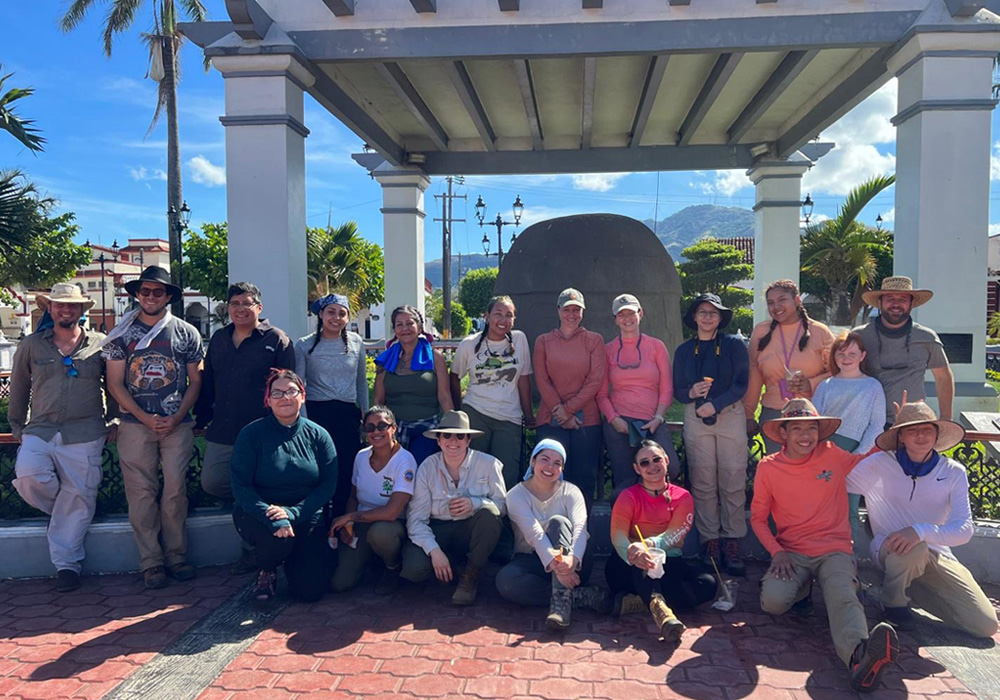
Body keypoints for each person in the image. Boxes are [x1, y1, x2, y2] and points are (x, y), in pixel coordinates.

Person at [751, 399, 898, 693]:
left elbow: (865, 461)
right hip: (791, 551)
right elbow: (757, 518)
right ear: (784, 433)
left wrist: (892, 432)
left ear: (820, 432)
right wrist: (776, 551)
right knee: (773, 603)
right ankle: (802, 589)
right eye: (797, 429)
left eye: (811, 428)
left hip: (835, 549)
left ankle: (860, 658)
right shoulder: (768, 468)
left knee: (843, 596)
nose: (805, 436)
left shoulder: (832, 454)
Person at [847, 401, 998, 637]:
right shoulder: (876, 465)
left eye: (927, 429)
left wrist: (920, 530)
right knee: (913, 550)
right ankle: (893, 605)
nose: (920, 435)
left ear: (937, 434)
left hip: (937, 554)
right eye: (911, 430)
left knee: (985, 625)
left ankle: (908, 589)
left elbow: (964, 529)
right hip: (890, 549)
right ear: (901, 437)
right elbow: (836, 484)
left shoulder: (953, 472)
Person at [8, 283, 117, 592]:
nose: (66, 310)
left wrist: (115, 418)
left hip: (85, 430)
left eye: (72, 306)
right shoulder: (31, 345)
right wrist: (16, 425)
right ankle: (66, 510)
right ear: (50, 309)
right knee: (29, 475)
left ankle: (66, 565)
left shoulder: (100, 344)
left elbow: (113, 385)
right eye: (60, 306)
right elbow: (19, 387)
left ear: (82, 310)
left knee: (79, 494)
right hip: (40, 428)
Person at [102, 266, 204, 589]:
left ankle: (176, 554)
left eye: (157, 292)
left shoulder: (186, 333)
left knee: (175, 489)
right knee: (140, 493)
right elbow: (115, 384)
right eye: (144, 291)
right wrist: (144, 417)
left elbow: (195, 380)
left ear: (168, 296)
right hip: (135, 423)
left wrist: (177, 416)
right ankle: (151, 561)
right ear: (136, 294)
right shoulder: (121, 334)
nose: (149, 297)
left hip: (177, 423)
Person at [231, 369, 338, 605]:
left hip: (305, 514)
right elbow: (241, 487)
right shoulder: (251, 435)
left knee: (311, 592)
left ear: (303, 396)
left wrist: (294, 513)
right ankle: (267, 570)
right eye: (277, 393)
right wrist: (274, 515)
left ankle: (292, 559)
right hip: (261, 514)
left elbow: (328, 484)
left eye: (291, 391)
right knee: (279, 539)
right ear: (268, 400)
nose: (285, 397)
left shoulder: (318, 435)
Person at [605, 439, 716, 641]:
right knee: (640, 569)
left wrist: (648, 545)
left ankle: (638, 602)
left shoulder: (683, 497)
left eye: (656, 459)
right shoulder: (627, 496)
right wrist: (634, 554)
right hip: (629, 564)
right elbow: (617, 534)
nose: (652, 465)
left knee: (708, 584)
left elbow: (675, 534)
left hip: (668, 562)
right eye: (645, 462)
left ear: (666, 461)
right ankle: (661, 612)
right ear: (637, 469)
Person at [195, 282, 295, 502]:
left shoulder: (277, 340)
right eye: (234, 303)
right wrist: (201, 419)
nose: (240, 308)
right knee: (212, 482)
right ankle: (250, 502)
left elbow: (288, 388)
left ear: (259, 307)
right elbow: (209, 381)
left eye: (246, 303)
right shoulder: (219, 339)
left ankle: (252, 514)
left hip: (262, 428)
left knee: (266, 479)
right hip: (223, 428)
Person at [672, 293, 750, 576]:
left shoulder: (733, 345)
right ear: (694, 316)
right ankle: (710, 541)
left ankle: (732, 540)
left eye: (713, 313)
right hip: (695, 416)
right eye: (702, 312)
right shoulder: (683, 351)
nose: (707, 317)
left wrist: (715, 404)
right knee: (703, 481)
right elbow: (677, 390)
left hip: (729, 414)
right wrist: (691, 393)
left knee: (732, 479)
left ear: (720, 318)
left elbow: (742, 383)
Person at [495, 439, 609, 630]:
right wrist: (558, 568)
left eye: (557, 463)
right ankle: (578, 596)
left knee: (559, 522)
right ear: (533, 461)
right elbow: (535, 534)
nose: (550, 467)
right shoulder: (516, 495)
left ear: (562, 468)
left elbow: (581, 529)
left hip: (575, 560)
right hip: (533, 558)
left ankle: (561, 607)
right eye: (545, 459)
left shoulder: (571, 492)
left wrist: (572, 561)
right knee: (506, 582)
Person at [401, 410, 506, 605]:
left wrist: (475, 503)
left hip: (469, 530)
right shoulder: (426, 468)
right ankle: (448, 564)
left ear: (468, 440)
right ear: (438, 440)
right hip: (437, 528)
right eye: (447, 435)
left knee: (490, 515)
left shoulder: (489, 465)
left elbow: (502, 505)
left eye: (460, 436)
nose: (453, 441)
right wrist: (435, 551)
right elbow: (416, 519)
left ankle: (470, 575)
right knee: (413, 570)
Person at [811, 331, 886, 558]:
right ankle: (816, 554)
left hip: (856, 454)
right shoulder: (826, 385)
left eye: (852, 353)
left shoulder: (872, 386)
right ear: (834, 356)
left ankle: (846, 558)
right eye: (841, 353)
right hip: (825, 451)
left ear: (862, 356)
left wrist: (858, 454)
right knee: (821, 505)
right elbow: (815, 420)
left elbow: (876, 424)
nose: (846, 358)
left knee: (849, 507)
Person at [596, 293, 681, 493]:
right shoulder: (608, 350)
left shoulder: (656, 346)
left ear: (640, 314)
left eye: (631, 313)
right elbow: (600, 394)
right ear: (615, 319)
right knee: (626, 479)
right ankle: (629, 517)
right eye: (621, 314)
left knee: (671, 467)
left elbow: (667, 388)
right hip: (620, 422)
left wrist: (659, 417)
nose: (627, 319)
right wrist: (613, 418)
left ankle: (658, 513)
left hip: (652, 421)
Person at [329, 406, 417, 595]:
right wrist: (349, 523)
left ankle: (392, 567)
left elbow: (392, 512)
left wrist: (350, 516)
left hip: (391, 525)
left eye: (382, 426)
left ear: (394, 428)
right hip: (362, 522)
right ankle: (371, 558)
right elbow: (353, 495)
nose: (376, 432)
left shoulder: (405, 461)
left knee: (381, 534)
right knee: (340, 583)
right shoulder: (361, 456)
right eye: (370, 428)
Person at [294, 293, 368, 517]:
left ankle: (342, 523)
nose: (336, 318)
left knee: (346, 470)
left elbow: (361, 382)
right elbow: (300, 385)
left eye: (342, 313)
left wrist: (366, 416)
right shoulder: (304, 345)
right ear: (321, 315)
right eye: (331, 312)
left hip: (347, 415)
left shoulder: (356, 342)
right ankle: (318, 523)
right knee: (320, 470)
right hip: (318, 414)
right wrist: (303, 423)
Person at [450, 296, 534, 488]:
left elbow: (523, 379)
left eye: (508, 315)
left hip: (509, 417)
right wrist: (458, 410)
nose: (503, 320)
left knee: (507, 474)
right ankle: (473, 514)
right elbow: (454, 376)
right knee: (473, 471)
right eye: (498, 314)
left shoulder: (520, 340)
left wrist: (528, 414)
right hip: (476, 413)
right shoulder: (469, 344)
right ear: (487, 316)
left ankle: (504, 516)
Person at [532, 288, 606, 507]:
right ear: (558, 310)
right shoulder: (543, 341)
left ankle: (582, 534)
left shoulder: (594, 340)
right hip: (550, 420)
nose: (571, 314)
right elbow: (542, 380)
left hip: (587, 421)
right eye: (567, 309)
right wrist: (561, 412)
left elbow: (595, 380)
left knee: (583, 480)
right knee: (548, 478)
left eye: (577, 310)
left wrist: (568, 410)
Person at [745, 279, 835, 454]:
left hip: (812, 413)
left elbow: (837, 372)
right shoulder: (761, 332)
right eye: (771, 303)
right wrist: (748, 414)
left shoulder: (820, 331)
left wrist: (812, 383)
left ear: (797, 300)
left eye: (782, 300)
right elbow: (754, 373)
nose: (776, 306)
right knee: (778, 467)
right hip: (774, 414)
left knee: (811, 469)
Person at [854, 276, 954, 425]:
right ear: (880, 303)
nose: (896, 304)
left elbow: (943, 377)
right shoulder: (859, 336)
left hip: (912, 422)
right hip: (867, 422)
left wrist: (946, 418)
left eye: (902, 299)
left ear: (911, 304)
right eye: (890, 298)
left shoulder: (927, 337)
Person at [373, 305, 453, 466]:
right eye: (399, 325)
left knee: (417, 469)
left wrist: (453, 428)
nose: (405, 329)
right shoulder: (386, 359)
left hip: (426, 427)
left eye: (410, 323)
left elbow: (444, 396)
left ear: (420, 327)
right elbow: (378, 399)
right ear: (394, 329)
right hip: (393, 429)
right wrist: (375, 428)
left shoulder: (435, 357)